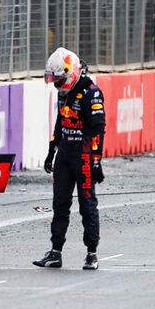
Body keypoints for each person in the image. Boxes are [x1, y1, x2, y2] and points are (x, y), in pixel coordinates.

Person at [33, 47, 106, 270]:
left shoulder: (90, 92)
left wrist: (95, 161)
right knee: (60, 205)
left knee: (87, 204)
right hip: (64, 154)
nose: (55, 83)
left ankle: (91, 253)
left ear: (71, 73)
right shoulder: (63, 93)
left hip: (83, 156)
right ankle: (56, 252)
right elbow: (60, 121)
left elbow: (98, 129)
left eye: (59, 78)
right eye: (53, 78)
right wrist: (51, 149)